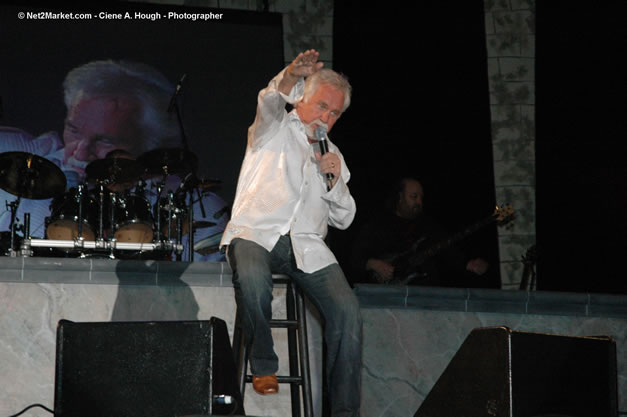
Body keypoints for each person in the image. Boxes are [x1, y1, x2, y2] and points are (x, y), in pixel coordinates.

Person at [220, 50, 362, 415]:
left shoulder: (334, 155)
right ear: (301, 99)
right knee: (253, 277)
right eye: (322, 107)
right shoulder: (275, 128)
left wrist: (334, 180)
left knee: (348, 312)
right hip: (257, 232)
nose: (326, 118)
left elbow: (345, 218)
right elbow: (269, 100)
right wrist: (289, 76)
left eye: (334, 113)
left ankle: (345, 411)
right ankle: (263, 363)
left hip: (307, 246)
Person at [0, 60, 227, 260]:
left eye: (105, 140)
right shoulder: (36, 173)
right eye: (74, 130)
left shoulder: (192, 204)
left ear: (150, 144)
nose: (80, 153)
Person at [350, 177, 489, 286]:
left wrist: (468, 264)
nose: (419, 202)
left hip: (426, 295)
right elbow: (355, 256)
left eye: (421, 197)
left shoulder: (429, 226)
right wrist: (374, 264)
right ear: (400, 197)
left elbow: (448, 250)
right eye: (414, 196)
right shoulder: (378, 225)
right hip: (388, 298)